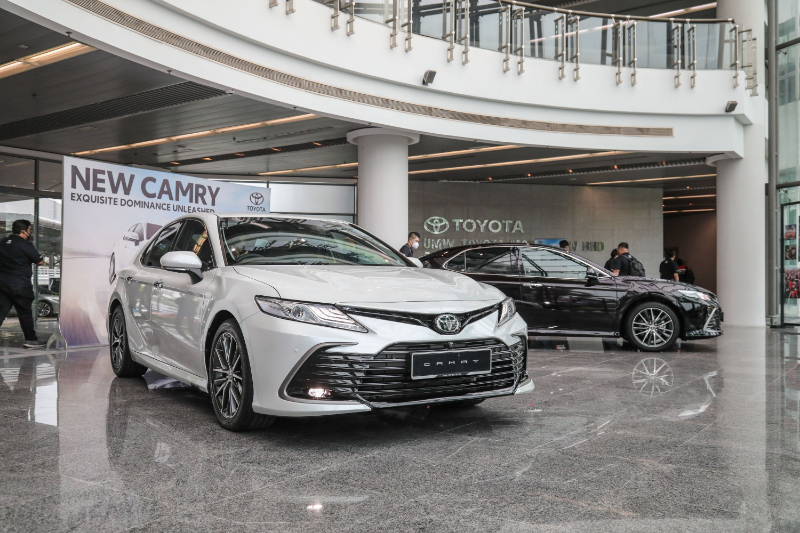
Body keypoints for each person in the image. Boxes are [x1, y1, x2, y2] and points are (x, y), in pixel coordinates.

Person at [0, 220, 46, 348]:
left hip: (3, 284)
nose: (30, 233)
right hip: (20, 284)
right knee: (24, 313)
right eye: (29, 230)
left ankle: (31, 339)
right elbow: (40, 262)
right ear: (23, 231)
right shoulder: (25, 244)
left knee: (1, 311)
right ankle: (31, 340)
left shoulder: (2, 242)